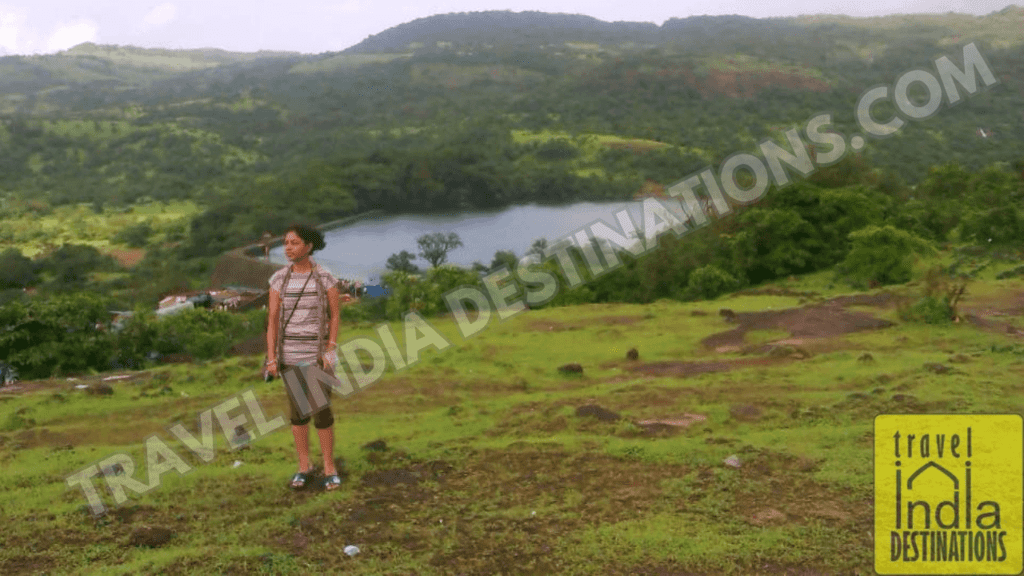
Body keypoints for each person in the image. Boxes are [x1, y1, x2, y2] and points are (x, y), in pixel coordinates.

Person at [264, 224, 342, 491]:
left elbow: (335, 315)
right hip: (289, 355)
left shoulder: (324, 277)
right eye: (286, 243)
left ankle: (330, 467)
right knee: (298, 414)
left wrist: (331, 349)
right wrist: (271, 358)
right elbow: (272, 320)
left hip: (317, 356)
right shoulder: (278, 280)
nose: (288, 248)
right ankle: (304, 466)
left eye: (294, 243)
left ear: (308, 246)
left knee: (321, 411)